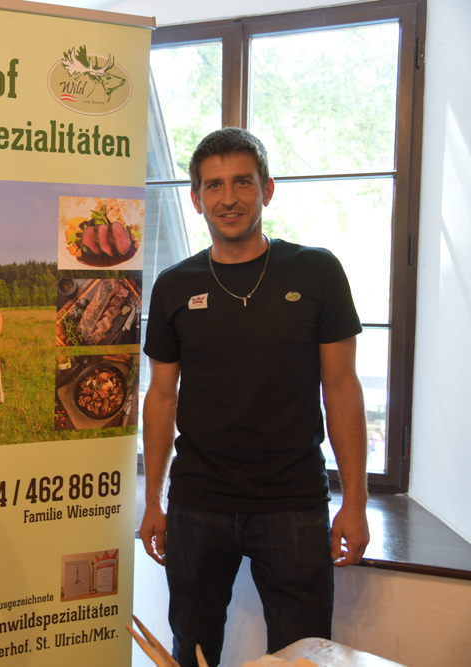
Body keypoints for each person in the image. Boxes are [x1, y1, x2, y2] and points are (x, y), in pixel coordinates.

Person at [138, 128, 370, 667]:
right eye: (213, 185)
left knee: (303, 656)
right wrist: (153, 500)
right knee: (192, 652)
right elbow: (162, 398)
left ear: (267, 189)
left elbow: (342, 389)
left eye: (242, 182)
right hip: (197, 503)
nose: (228, 198)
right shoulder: (174, 285)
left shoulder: (317, 271)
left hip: (294, 504)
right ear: (196, 198)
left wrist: (356, 502)